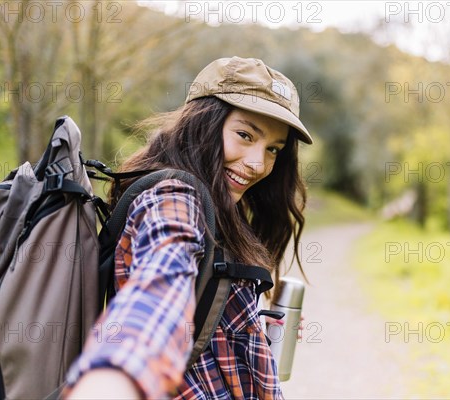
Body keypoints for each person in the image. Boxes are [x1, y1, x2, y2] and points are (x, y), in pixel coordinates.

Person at [64, 56, 313, 399]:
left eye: (273, 149)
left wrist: (247, 326)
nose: (258, 163)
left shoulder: (219, 206)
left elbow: (200, 313)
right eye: (244, 135)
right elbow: (158, 293)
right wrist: (116, 378)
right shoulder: (174, 197)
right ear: (203, 123)